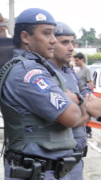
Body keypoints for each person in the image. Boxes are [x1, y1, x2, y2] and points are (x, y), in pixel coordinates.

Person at [0, 8, 86, 180]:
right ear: (25, 37)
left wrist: (74, 99)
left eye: (53, 34)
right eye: (47, 34)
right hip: (39, 171)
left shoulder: (38, 68)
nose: (53, 40)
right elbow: (73, 117)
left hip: (50, 169)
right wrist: (75, 99)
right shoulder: (29, 73)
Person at [48, 21, 93, 180]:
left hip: (76, 158)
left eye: (72, 42)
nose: (72, 48)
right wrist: (85, 110)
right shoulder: (45, 74)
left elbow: (97, 108)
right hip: (56, 160)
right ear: (51, 43)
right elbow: (70, 119)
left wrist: (80, 103)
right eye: (65, 42)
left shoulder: (70, 73)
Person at [73, 52, 93, 137]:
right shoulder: (79, 69)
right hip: (79, 96)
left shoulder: (86, 69)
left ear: (82, 60)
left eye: (77, 60)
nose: (76, 62)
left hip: (85, 95)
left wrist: (87, 94)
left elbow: (90, 83)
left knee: (86, 112)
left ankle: (88, 131)